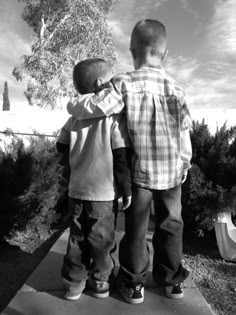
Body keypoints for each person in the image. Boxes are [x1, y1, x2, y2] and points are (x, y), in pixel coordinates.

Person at [67, 19, 192, 304]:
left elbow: (97, 106)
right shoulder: (177, 89)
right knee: (172, 224)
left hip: (140, 174)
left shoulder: (123, 83)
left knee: (136, 229)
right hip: (172, 174)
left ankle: (134, 283)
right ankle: (171, 280)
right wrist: (185, 163)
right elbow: (184, 134)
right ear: (165, 53)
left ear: (133, 50)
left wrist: (72, 105)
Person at [56, 58, 132, 301]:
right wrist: (126, 188)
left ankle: (73, 284)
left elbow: (61, 146)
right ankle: (100, 281)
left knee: (77, 238)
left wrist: (71, 169)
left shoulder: (73, 116)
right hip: (103, 193)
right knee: (101, 239)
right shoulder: (112, 117)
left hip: (77, 189)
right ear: (101, 83)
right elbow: (120, 156)